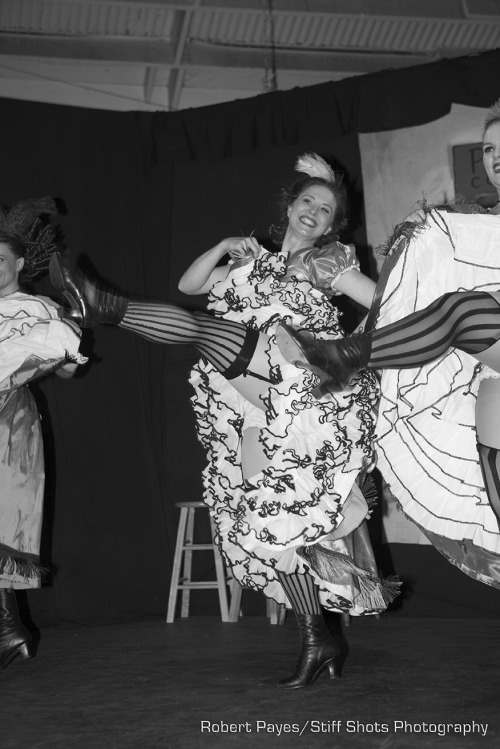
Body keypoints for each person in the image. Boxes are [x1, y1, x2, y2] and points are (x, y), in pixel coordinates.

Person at [50, 154, 399, 688]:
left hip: (299, 387)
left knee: (211, 337)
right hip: (251, 407)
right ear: (288, 206)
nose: (312, 212)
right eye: (307, 201)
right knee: (269, 521)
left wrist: (346, 338)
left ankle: (107, 307)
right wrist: (223, 247)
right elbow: (191, 285)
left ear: (333, 225)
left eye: (325, 209)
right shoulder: (248, 260)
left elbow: (383, 302)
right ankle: (317, 637)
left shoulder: (327, 261)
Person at [276, 101, 500, 590]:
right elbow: (406, 307)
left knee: (466, 309)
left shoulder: (471, 236)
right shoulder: (472, 230)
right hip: (492, 370)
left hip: (481, 330)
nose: (496, 155)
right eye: (489, 147)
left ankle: (341, 358)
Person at [0, 198, 87, 670]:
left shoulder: (35, 307)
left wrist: (72, 348)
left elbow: (66, 370)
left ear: (17, 263)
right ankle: (8, 628)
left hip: (7, 420)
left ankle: (8, 628)